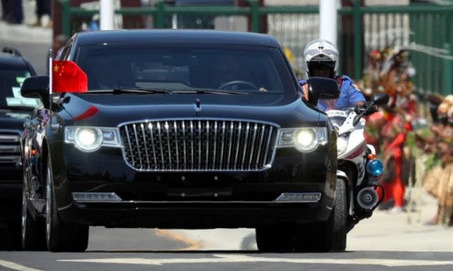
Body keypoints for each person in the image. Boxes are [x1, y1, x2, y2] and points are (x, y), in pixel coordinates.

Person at [298, 39, 366, 111]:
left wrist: (362, 107)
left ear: (333, 68)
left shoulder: (344, 84)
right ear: (309, 68)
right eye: (317, 68)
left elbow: (360, 102)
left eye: (326, 67)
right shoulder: (301, 88)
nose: (321, 72)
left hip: (342, 122)